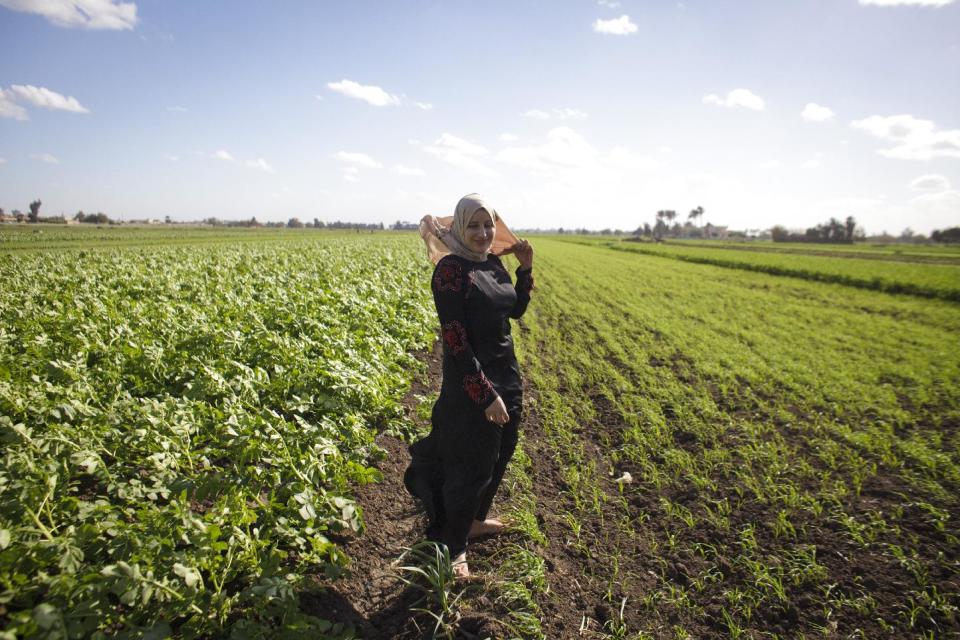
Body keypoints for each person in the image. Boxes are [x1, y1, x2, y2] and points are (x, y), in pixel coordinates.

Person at [404, 193, 534, 579]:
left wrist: (525, 270)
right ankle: (453, 544)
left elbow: (514, 310)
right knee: (472, 464)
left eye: (487, 225)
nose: (482, 233)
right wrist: (484, 395)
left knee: (501, 454)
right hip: (470, 382)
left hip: (506, 374)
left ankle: (473, 521)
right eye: (473, 225)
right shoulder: (450, 272)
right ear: (460, 227)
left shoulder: (493, 264)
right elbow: (455, 340)